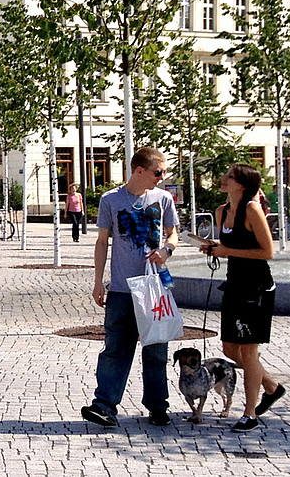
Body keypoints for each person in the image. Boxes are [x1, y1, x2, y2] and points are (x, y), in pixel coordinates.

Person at [81, 146, 180, 429]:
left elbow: (173, 234)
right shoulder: (110, 199)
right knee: (115, 348)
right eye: (158, 172)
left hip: (155, 287)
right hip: (122, 289)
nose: (161, 178)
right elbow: (102, 242)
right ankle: (104, 406)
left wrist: (167, 250)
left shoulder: (163, 199)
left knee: (156, 349)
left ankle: (158, 406)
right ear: (139, 170)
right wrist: (98, 281)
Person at [200, 165, 284, 433]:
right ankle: (271, 387)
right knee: (229, 348)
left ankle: (250, 413)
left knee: (248, 350)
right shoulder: (221, 211)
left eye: (230, 177)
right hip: (234, 283)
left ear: (243, 184)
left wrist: (227, 250)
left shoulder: (251, 209)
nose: (223, 179)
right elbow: (230, 247)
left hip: (256, 287)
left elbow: (267, 251)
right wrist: (215, 248)